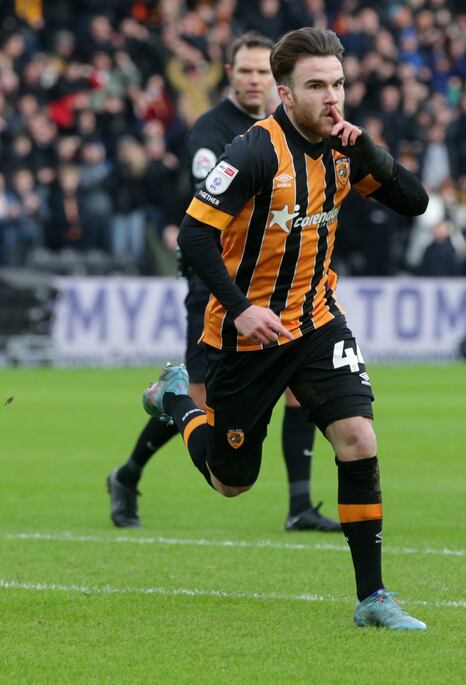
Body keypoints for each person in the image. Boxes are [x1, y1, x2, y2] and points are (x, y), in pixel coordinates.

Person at [140, 27, 429, 629]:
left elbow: (415, 202)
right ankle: (177, 399)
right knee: (230, 482)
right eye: (317, 86)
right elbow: (193, 234)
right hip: (249, 335)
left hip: (318, 321)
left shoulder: (346, 147)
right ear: (286, 94)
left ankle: (373, 597)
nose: (333, 97)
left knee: (358, 439)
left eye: (338, 84)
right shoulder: (252, 152)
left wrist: (371, 151)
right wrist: (240, 308)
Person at [107, 33, 339, 533]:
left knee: (299, 389)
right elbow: (210, 214)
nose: (254, 80)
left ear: (278, 81)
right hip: (220, 288)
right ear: (230, 74)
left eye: (262, 72)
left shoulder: (291, 125)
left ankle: (300, 505)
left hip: (279, 289)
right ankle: (127, 473)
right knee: (200, 401)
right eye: (245, 71)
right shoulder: (213, 131)